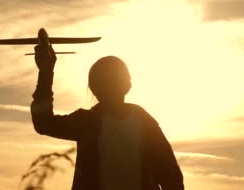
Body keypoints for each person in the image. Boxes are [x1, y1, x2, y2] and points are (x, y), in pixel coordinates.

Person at [30, 42, 185, 190]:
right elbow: (170, 176)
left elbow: (170, 175)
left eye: (113, 81)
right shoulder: (140, 121)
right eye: (106, 82)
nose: (110, 86)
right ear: (128, 85)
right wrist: (45, 72)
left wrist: (46, 71)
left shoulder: (142, 122)